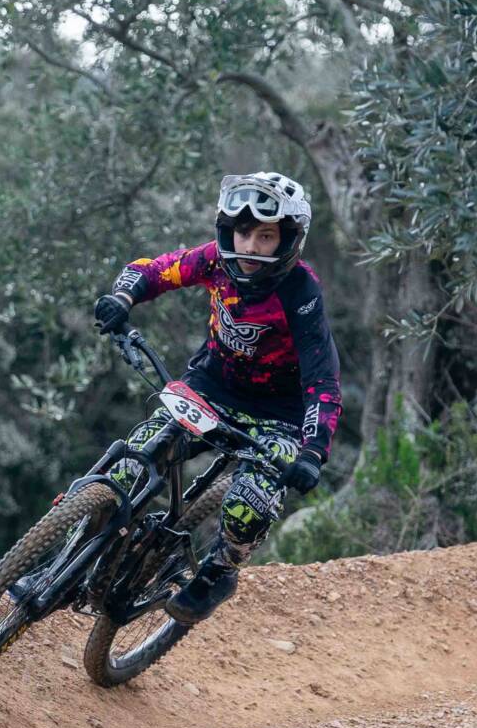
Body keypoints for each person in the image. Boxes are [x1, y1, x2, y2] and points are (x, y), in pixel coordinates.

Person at [91, 171, 343, 624]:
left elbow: (322, 380)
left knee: (249, 504)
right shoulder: (214, 261)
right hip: (211, 388)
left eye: (265, 236)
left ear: (288, 239)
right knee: (132, 460)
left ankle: (220, 571)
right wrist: (123, 298)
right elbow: (156, 269)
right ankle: (82, 548)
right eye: (243, 232)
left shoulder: (301, 291)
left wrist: (313, 452)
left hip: (280, 418)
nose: (250, 247)